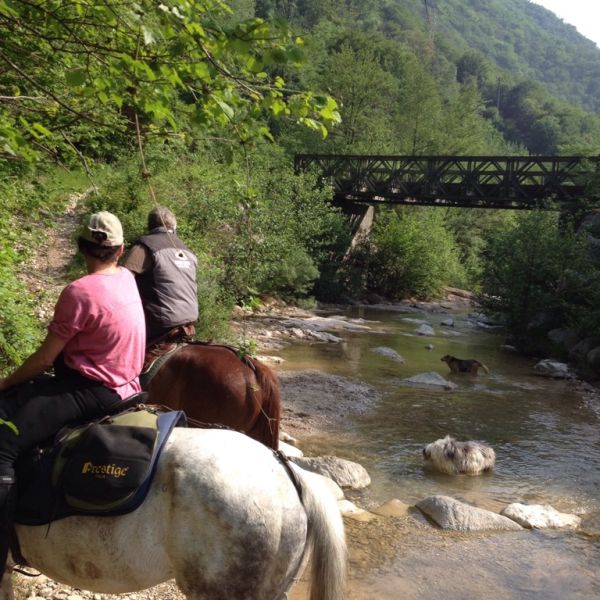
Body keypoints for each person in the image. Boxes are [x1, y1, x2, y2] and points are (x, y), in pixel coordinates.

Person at [0, 211, 145, 581]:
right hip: (130, 386)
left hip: (91, 390)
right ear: (121, 249)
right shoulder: (127, 278)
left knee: (4, 442)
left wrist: (5, 383)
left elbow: (45, 359)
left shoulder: (79, 291)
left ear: (82, 247)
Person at [122, 206, 198, 365]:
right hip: (190, 320)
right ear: (174, 227)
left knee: (117, 350)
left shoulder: (144, 246)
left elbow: (121, 280)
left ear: (150, 226)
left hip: (159, 322)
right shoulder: (188, 251)